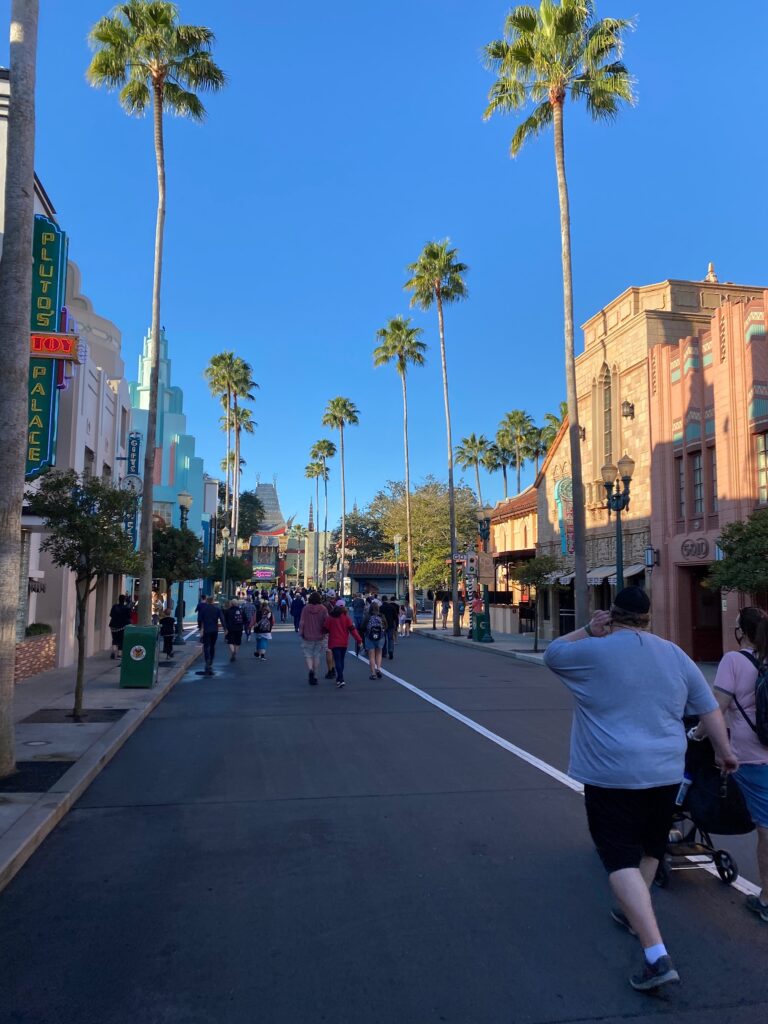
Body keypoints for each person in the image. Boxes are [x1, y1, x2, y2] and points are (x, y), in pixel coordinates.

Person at [543, 586, 737, 992]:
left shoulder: (594, 651)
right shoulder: (675, 654)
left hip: (611, 771)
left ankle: (655, 955)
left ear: (611, 616)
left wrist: (587, 630)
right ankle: (633, 912)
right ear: (649, 617)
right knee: (651, 846)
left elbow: (554, 653)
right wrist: (724, 752)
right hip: (666, 770)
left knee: (618, 857)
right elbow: (708, 709)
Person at [695, 606, 768, 923]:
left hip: (752, 755)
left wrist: (697, 733)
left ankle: (766, 899)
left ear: (741, 631)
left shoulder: (734, 661)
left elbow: (717, 707)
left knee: (766, 831)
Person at [323, 599, 362, 688]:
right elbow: (353, 630)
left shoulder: (330, 618)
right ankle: (340, 677)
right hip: (343, 642)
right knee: (341, 660)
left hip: (334, 642)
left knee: (337, 660)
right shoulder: (346, 618)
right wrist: (359, 640)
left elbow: (325, 629)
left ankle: (340, 678)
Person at [299, 591, 329, 685]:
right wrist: (326, 632)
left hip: (307, 635)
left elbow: (302, 622)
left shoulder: (306, 608)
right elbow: (327, 621)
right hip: (320, 635)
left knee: (308, 654)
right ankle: (314, 675)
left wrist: (301, 632)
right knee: (316, 655)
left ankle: (310, 669)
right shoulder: (323, 609)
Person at [197, 596, 225, 676]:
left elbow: (199, 619)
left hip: (206, 630)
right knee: (212, 645)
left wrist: (200, 628)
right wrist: (225, 628)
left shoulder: (204, 609)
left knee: (206, 646)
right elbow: (222, 619)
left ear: (207, 601)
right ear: (213, 601)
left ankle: (207, 660)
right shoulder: (217, 609)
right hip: (214, 630)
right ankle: (211, 661)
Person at [361, 600, 386, 679]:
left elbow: (362, 627)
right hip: (380, 637)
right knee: (379, 653)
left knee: (371, 656)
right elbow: (386, 625)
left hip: (369, 637)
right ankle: (378, 669)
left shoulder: (368, 616)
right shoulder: (381, 616)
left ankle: (373, 673)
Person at [108, 594, 131, 660]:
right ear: (124, 600)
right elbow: (129, 617)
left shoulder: (114, 606)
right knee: (121, 640)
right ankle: (119, 655)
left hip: (113, 625)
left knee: (114, 639)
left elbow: (111, 615)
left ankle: (113, 652)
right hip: (122, 626)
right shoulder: (126, 608)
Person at [380, 595, 399, 661]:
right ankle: (390, 651)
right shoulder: (392, 607)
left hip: (383, 626)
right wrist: (396, 625)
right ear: (387, 600)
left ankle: (384, 652)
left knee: (383, 639)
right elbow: (396, 617)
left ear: (382, 600)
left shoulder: (381, 608)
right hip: (391, 625)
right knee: (390, 638)